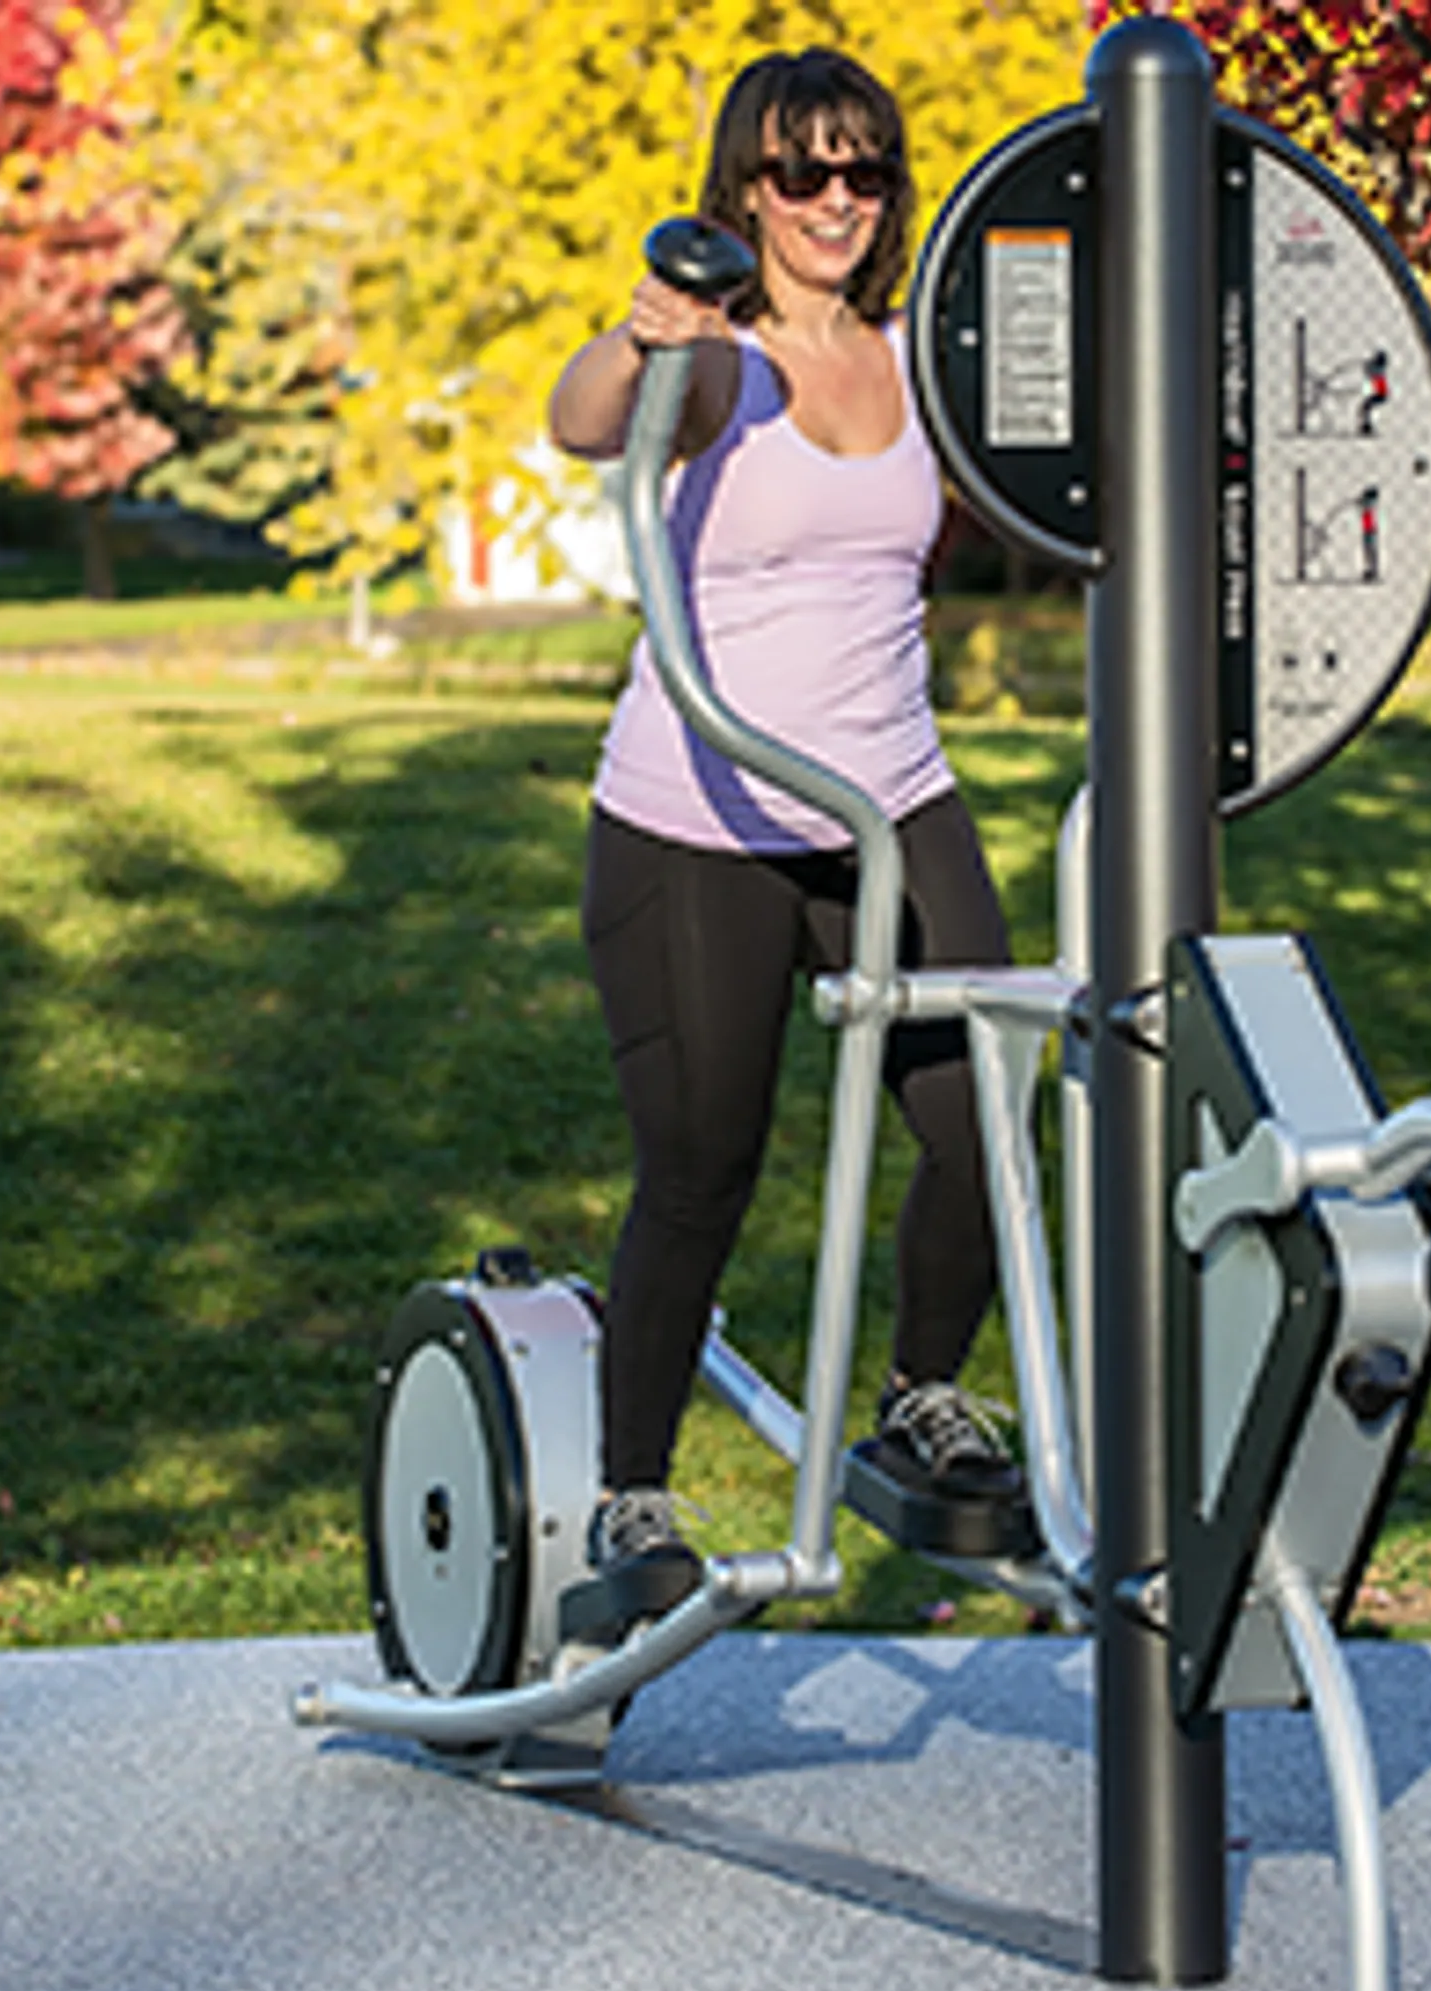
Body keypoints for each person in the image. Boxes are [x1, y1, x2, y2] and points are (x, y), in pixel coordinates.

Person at [548, 46, 1020, 1621]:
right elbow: (581, 419)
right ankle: (630, 1499)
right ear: (744, 188)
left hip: (892, 797)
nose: (835, 201)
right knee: (703, 1167)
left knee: (990, 1125)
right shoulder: (716, 366)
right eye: (800, 173)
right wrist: (642, 338)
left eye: (863, 171)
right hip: (706, 812)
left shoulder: (916, 359)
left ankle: (921, 1395)